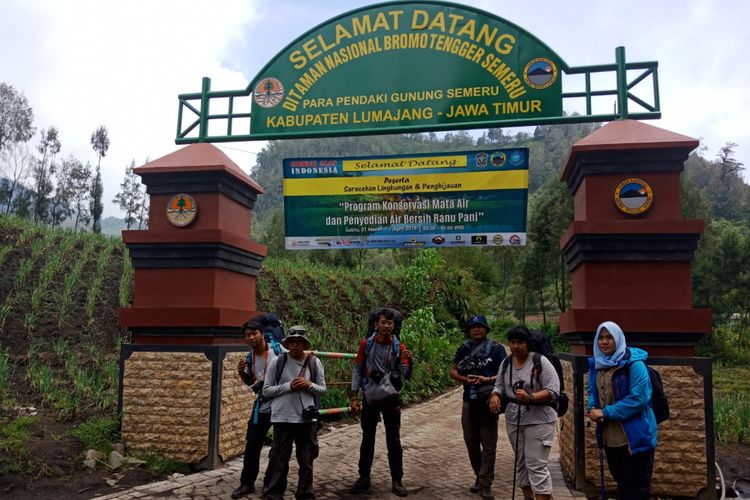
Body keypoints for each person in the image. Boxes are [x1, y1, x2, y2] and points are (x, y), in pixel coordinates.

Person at [586, 321, 657, 500]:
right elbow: (592, 391)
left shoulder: (634, 365)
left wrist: (606, 412)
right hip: (611, 438)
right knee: (622, 485)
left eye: (609, 337)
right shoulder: (597, 365)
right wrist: (592, 406)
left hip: (635, 439)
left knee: (636, 491)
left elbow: (639, 398)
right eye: (601, 338)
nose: (604, 342)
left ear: (618, 338)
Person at [349, 307, 414, 497]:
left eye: (390, 323)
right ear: (376, 324)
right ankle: (364, 477)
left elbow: (406, 376)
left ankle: (397, 479)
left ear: (394, 326)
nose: (386, 326)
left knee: (393, 439)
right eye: (383, 322)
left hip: (391, 398)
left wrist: (411, 363)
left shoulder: (399, 348)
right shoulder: (366, 345)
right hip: (370, 396)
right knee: (367, 438)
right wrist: (354, 396)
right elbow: (358, 370)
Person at [489, 325, 559, 500]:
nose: (515, 346)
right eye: (512, 342)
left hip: (539, 421)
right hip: (514, 419)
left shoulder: (540, 361)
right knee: (521, 464)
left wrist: (531, 397)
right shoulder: (506, 363)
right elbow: (498, 385)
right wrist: (495, 396)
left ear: (528, 343)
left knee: (535, 464)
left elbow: (553, 390)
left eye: (520, 342)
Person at [261, 326, 326, 500]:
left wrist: (308, 385)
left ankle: (305, 493)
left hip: (306, 419)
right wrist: (288, 386)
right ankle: (274, 494)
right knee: (279, 460)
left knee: (306, 460)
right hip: (282, 417)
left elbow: (322, 389)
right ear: (287, 343)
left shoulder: (314, 362)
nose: (296, 345)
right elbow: (266, 390)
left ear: (305, 344)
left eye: (300, 342)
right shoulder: (278, 362)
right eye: (292, 341)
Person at [449, 315, 507, 499]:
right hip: (469, 399)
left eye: (480, 326)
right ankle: (479, 476)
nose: (476, 330)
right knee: (470, 440)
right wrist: (465, 379)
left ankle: (485, 483)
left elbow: (506, 373)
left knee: (489, 443)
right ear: (468, 330)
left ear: (486, 329)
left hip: (489, 399)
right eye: (473, 327)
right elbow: (453, 370)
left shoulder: (497, 349)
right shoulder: (464, 348)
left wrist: (487, 380)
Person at [231, 319, 286, 499]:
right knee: (252, 444)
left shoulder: (278, 352)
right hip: (261, 407)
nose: (251, 337)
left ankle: (270, 483)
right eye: (248, 335)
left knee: (277, 448)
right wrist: (242, 373)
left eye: (254, 333)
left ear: (262, 334)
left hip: (280, 406)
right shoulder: (250, 358)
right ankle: (246, 483)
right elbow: (252, 384)